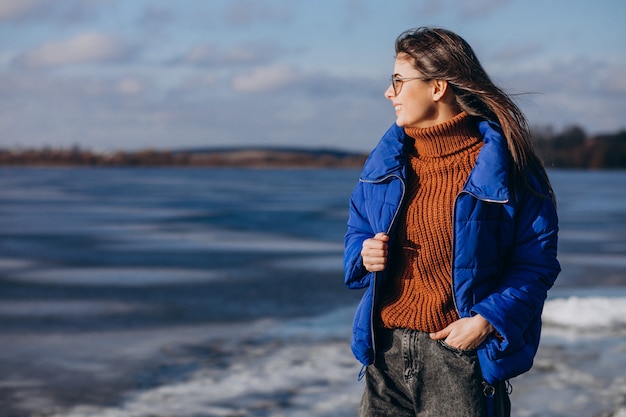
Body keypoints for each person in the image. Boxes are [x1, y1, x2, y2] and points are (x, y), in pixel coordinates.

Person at [343, 27, 560, 417]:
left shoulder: (506, 168)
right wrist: (364, 252)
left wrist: (487, 320)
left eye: (398, 81)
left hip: (458, 360)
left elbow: (536, 264)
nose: (388, 93)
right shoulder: (385, 164)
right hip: (384, 355)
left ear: (437, 87)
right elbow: (358, 230)